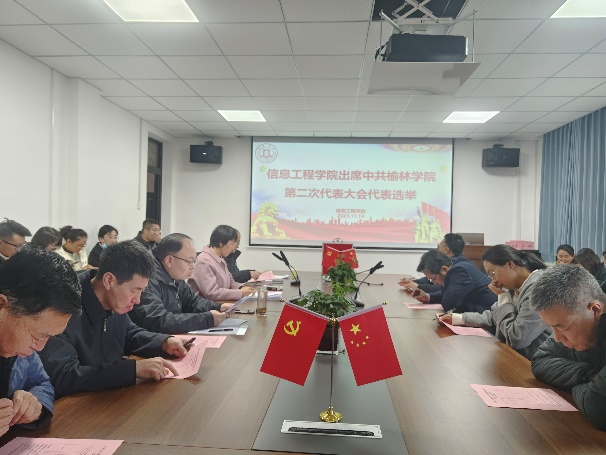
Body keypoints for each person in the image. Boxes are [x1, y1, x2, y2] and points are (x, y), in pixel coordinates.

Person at [38, 241, 189, 399]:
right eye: (135, 290)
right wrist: (132, 369)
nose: (137, 300)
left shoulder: (114, 300)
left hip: (111, 396)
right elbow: (64, 375)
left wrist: (163, 342)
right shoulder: (63, 307)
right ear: (109, 280)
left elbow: (128, 333)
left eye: (142, 291)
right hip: (80, 405)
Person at [0, 248, 82, 436]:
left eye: (48, 337)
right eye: (36, 336)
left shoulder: (22, 351)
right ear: (2, 305)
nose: (39, 347)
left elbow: (42, 383)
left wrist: (35, 403)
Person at [438, 245, 551, 359]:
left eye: (492, 273)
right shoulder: (513, 287)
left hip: (535, 360)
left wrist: (503, 299)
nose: (493, 281)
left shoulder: (538, 289)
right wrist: (458, 318)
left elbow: (518, 338)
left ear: (510, 265)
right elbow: (494, 316)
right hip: (513, 356)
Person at [530, 265, 606, 431]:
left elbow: (599, 409)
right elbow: (540, 360)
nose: (557, 338)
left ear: (594, 309)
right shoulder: (575, 320)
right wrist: (589, 375)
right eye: (552, 328)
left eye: (563, 327)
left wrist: (581, 388)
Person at [130, 233, 232, 334]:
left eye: (194, 260)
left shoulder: (175, 275)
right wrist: (206, 319)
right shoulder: (147, 281)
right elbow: (159, 321)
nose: (193, 266)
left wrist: (218, 307)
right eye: (189, 261)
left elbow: (192, 302)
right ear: (169, 260)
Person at [413, 250, 494, 314]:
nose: (434, 283)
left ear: (444, 269)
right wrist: (428, 297)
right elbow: (451, 293)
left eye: (433, 279)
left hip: (487, 316)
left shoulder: (460, 271)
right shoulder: (454, 265)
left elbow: (448, 303)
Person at [189, 225, 256, 300]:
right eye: (232, 244)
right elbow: (211, 293)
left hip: (220, 303)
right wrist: (240, 293)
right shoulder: (203, 261)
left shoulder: (220, 259)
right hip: (207, 305)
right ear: (221, 243)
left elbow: (231, 282)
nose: (233, 248)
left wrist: (242, 288)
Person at [399, 233, 466, 293]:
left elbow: (442, 288)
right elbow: (431, 278)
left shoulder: (456, 268)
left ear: (446, 250)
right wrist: (413, 282)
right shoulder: (455, 260)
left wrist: (418, 286)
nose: (437, 249)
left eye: (439, 246)